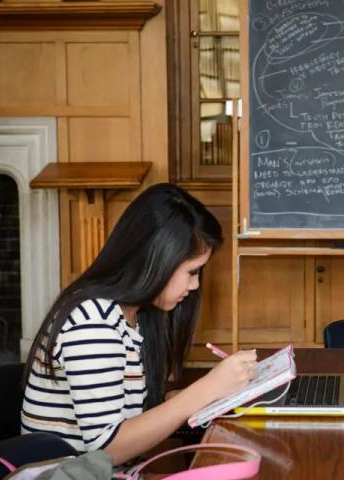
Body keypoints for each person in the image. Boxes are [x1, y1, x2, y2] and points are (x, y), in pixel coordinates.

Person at [20, 183, 258, 466]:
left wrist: (197, 397)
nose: (195, 285)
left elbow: (126, 411)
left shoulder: (136, 314)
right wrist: (205, 389)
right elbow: (107, 451)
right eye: (191, 272)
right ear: (154, 260)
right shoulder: (92, 322)